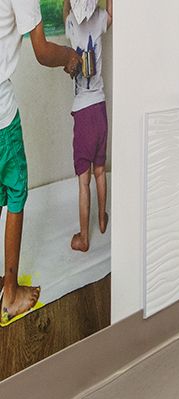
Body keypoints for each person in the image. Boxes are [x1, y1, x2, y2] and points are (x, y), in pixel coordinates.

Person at [0, 0, 80, 323]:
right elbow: (42, 50)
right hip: (2, 118)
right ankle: (10, 295)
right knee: (16, 192)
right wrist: (69, 56)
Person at [65, 0, 110, 253]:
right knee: (100, 171)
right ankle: (102, 220)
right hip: (101, 108)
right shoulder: (101, 18)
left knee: (84, 182)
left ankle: (84, 237)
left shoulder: (72, 23)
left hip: (83, 112)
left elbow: (66, 13)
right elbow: (111, 16)